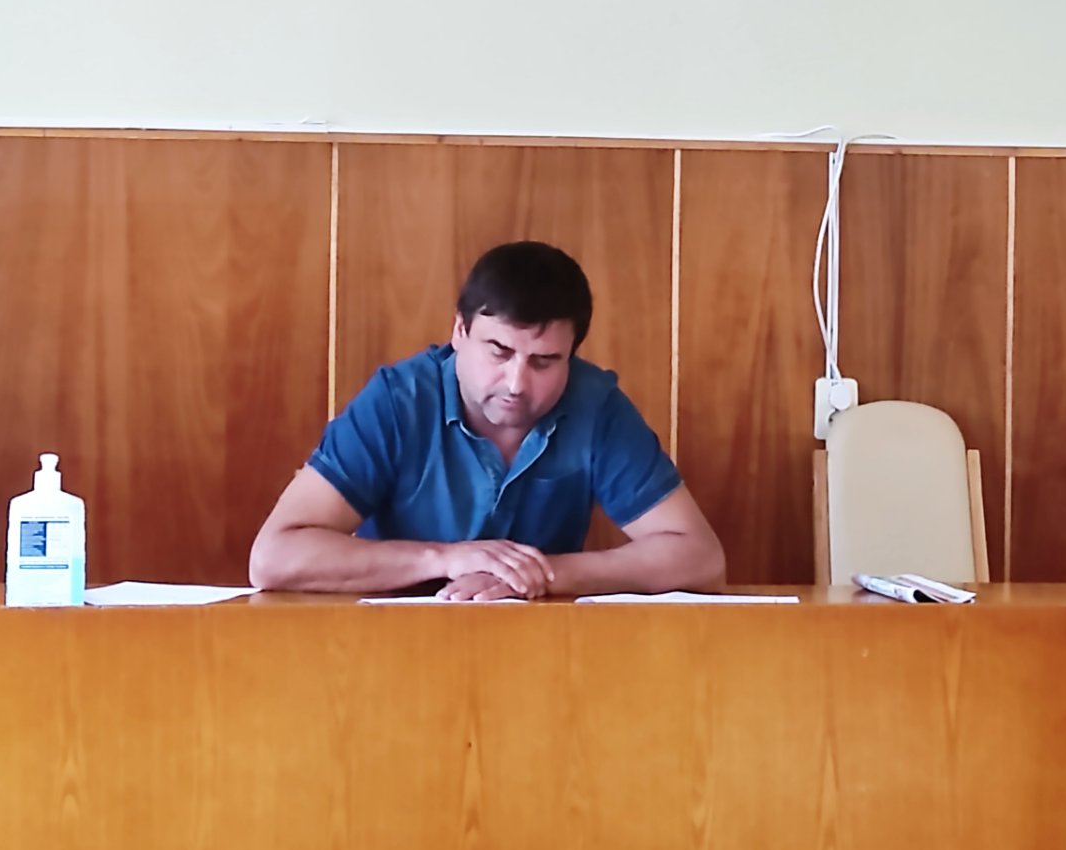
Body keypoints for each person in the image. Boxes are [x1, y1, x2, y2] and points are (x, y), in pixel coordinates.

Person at [250, 241, 726, 600]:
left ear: (572, 355)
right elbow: (274, 556)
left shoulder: (595, 404)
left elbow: (701, 557)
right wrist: (447, 559)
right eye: (499, 351)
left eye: (544, 362)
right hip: (391, 639)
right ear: (459, 330)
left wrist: (538, 574)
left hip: (535, 639)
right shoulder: (398, 401)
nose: (517, 383)